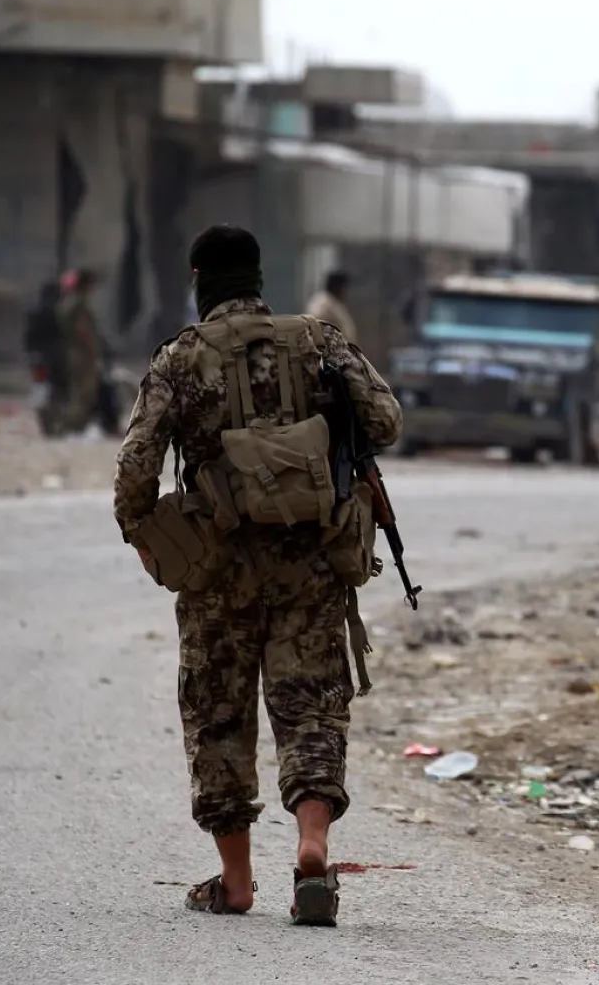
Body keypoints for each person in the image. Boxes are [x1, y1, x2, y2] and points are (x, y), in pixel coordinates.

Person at [113, 225, 402, 925]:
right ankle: (310, 845)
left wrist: (147, 537)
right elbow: (386, 421)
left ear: (198, 278)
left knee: (219, 716)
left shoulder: (180, 360)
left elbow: (135, 471)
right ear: (258, 278)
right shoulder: (318, 340)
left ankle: (236, 881)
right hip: (310, 563)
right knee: (309, 709)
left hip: (217, 572)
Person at [55, 268, 103, 434]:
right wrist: (93, 349)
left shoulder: (68, 302)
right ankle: (72, 426)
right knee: (84, 392)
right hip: (81, 354)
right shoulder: (79, 303)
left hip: (72, 352)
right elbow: (83, 329)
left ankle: (72, 425)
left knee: (77, 391)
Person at [23, 281, 64, 436]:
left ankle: (48, 425)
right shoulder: (56, 312)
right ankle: (53, 425)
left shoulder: (33, 312)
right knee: (55, 391)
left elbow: (28, 337)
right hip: (52, 358)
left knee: (41, 389)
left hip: (36, 357)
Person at [307, 270, 360, 346]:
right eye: (344, 287)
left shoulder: (334, 303)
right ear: (338, 287)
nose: (345, 291)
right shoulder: (323, 304)